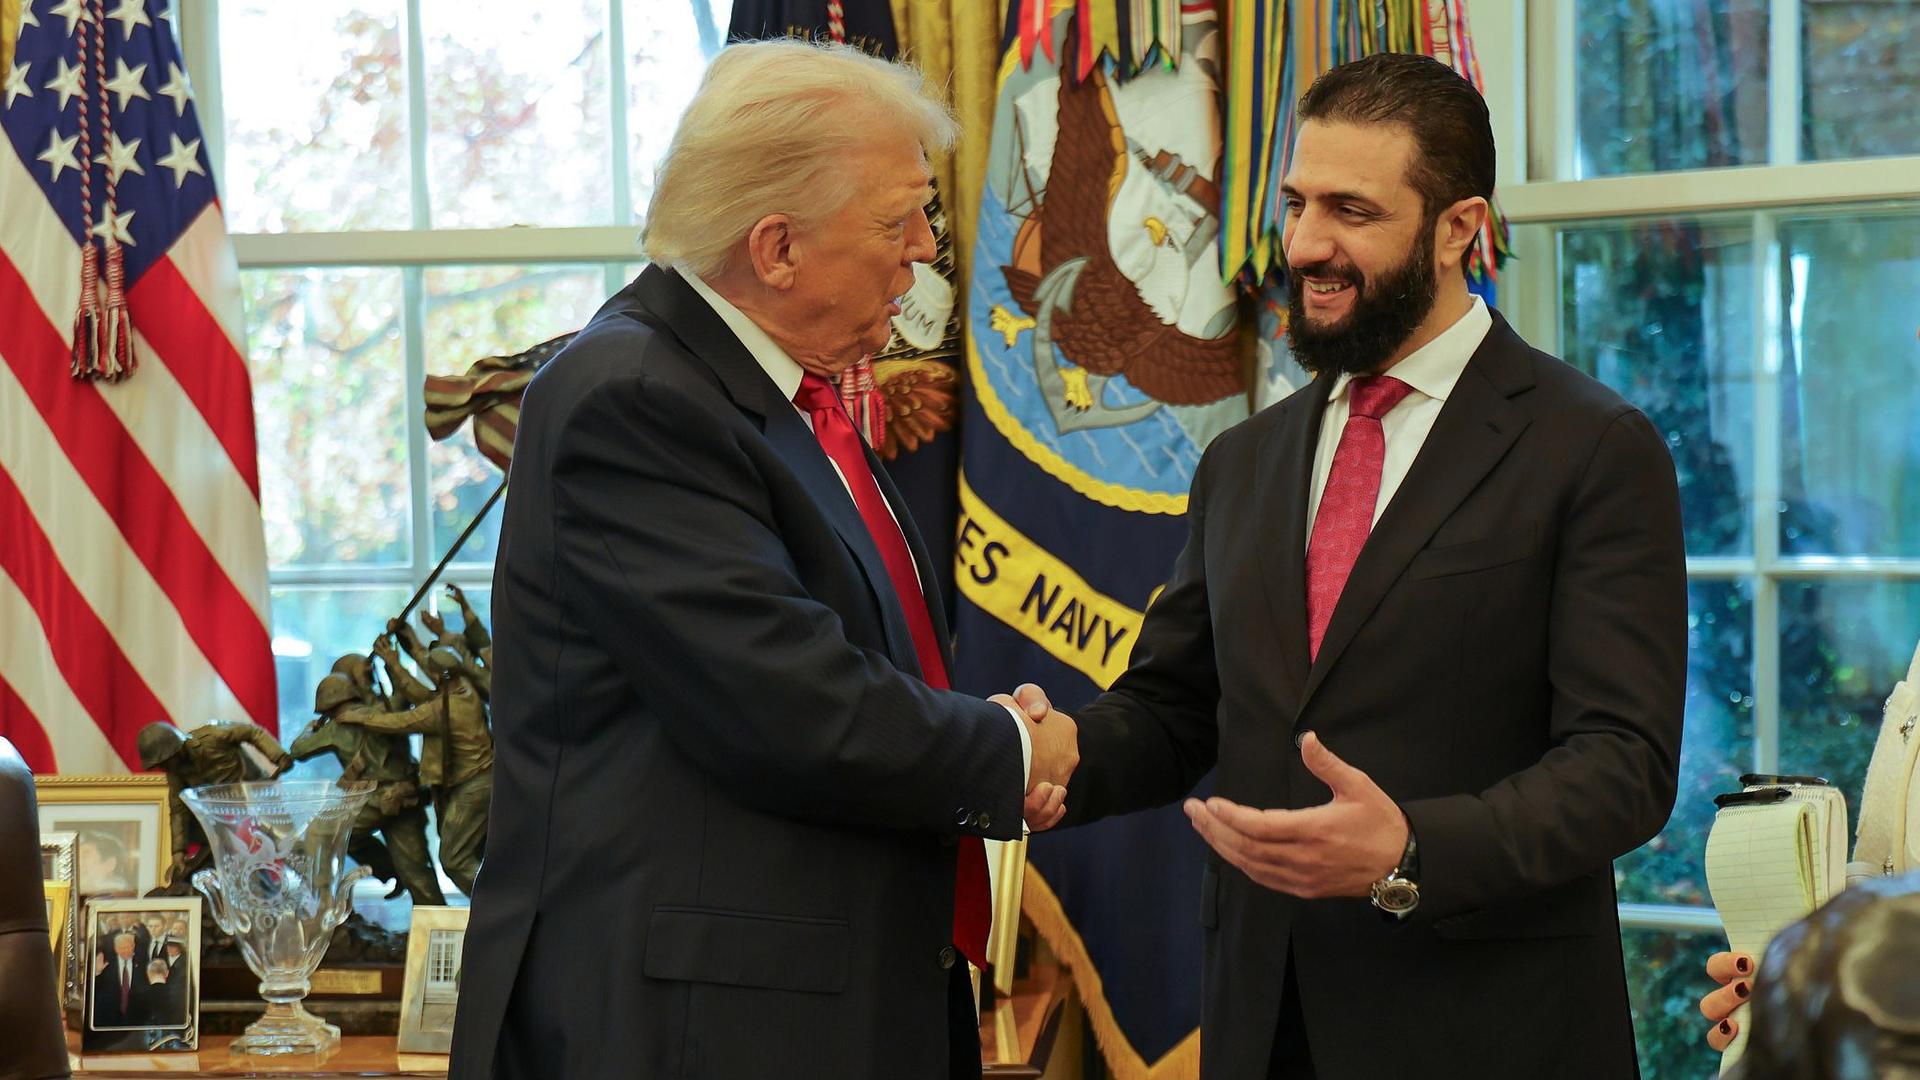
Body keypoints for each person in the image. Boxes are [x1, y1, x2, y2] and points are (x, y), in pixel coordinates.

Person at [1013, 52, 1687, 1079]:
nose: (1307, 245)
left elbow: (1623, 767)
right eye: (1295, 205)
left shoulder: (1592, 448)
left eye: (1352, 211)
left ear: (1461, 227)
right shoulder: (1245, 458)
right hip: (1260, 1024)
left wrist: (1409, 848)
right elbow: (1177, 708)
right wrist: (1064, 754)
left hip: (1489, 1034)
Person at [445, 38, 1075, 1080]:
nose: (926, 246)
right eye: (899, 217)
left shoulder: (785, 401)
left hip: (814, 1009)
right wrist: (1008, 753)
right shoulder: (633, 399)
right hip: (700, 1034)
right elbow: (792, 704)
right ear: (776, 248)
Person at [340, 646, 493, 897]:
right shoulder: (462, 688)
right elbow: (416, 691)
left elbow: (399, 721)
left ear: (439, 676)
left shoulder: (442, 708)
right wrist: (397, 654)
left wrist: (361, 717)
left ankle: (498, 906)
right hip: (472, 784)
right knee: (465, 854)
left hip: (471, 788)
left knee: (454, 859)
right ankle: (498, 909)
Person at [288, 672, 447, 905]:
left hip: (373, 801)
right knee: (416, 871)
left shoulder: (336, 728)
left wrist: (310, 730)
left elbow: (298, 751)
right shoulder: (385, 710)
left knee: (324, 832)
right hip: (407, 797)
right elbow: (403, 696)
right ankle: (437, 925)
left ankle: (322, 906)